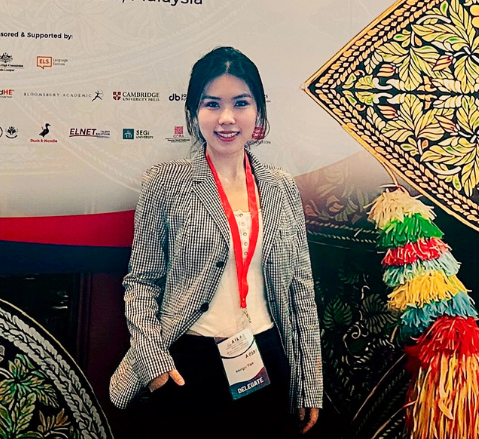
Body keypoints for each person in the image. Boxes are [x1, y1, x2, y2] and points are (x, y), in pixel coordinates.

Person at [110, 47, 322, 437]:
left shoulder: (280, 187)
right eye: (212, 104)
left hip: (266, 359)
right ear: (194, 112)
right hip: (187, 362)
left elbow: (300, 292)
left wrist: (310, 383)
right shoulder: (165, 183)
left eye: (241, 103)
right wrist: (155, 363)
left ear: (258, 111)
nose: (226, 118)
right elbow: (140, 284)